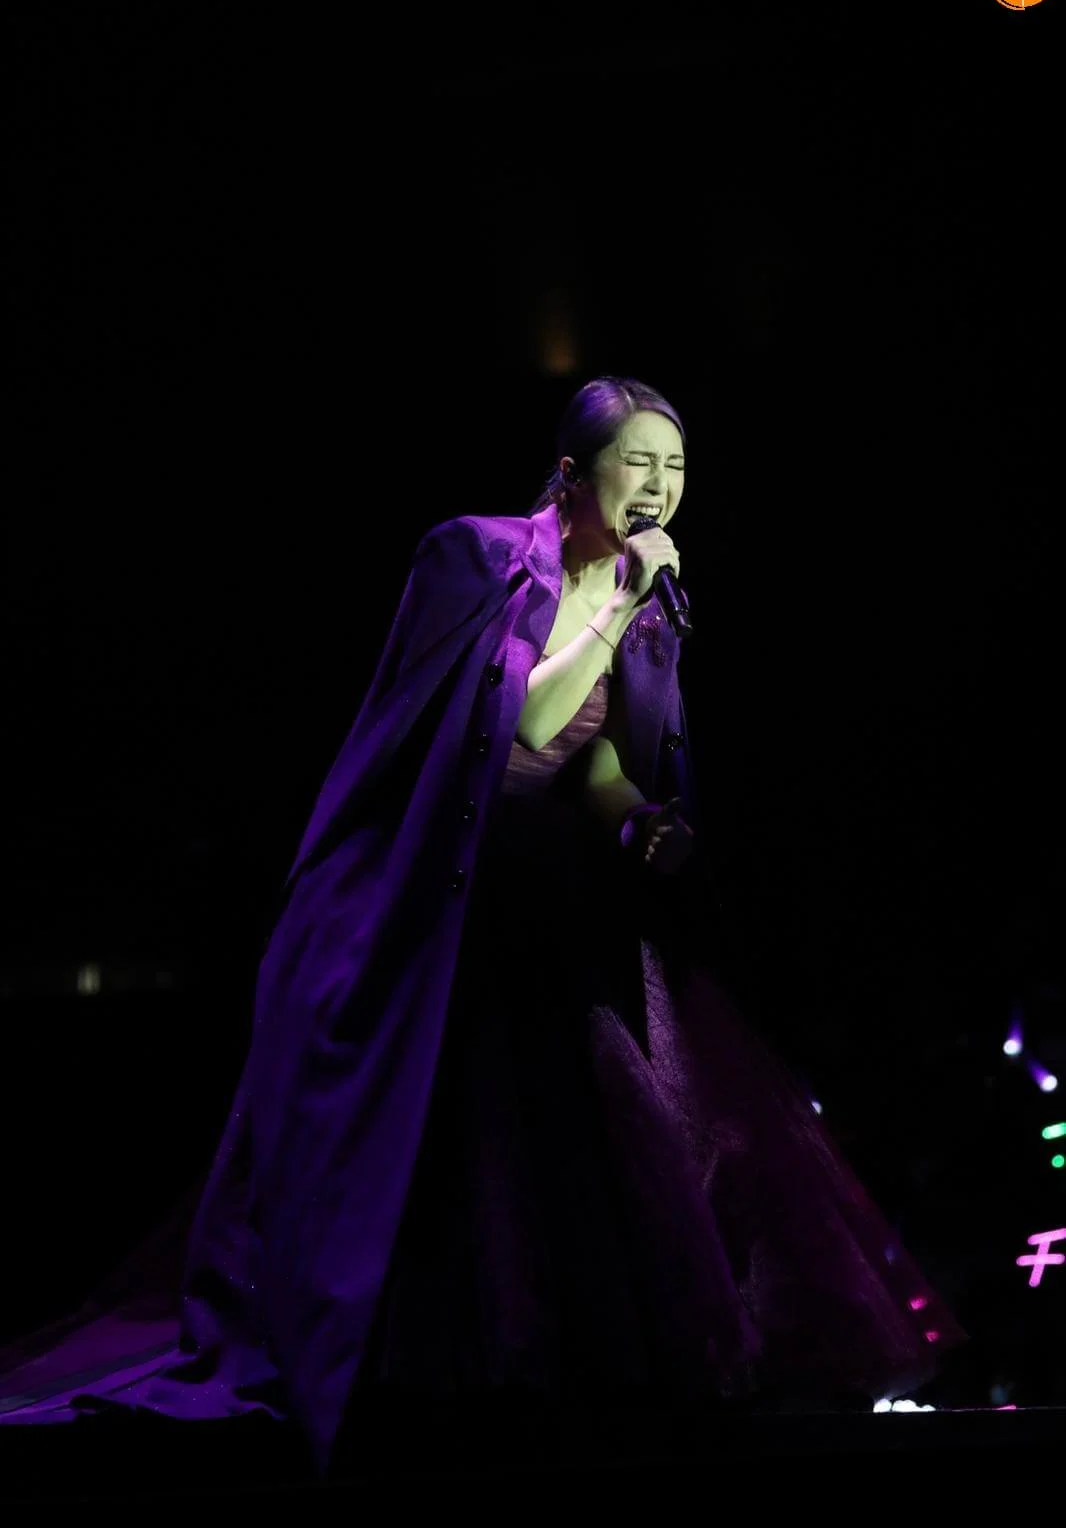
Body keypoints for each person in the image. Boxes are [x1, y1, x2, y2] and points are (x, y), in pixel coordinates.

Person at [0, 376, 963, 1477]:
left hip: (549, 902)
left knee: (579, 1147)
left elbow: (591, 754)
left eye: (676, 467)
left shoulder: (645, 599)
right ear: (573, 470)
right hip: (426, 907)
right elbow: (526, 723)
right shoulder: (478, 555)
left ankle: (558, 1387)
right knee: (449, 1148)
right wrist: (616, 605)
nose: (659, 486)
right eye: (638, 461)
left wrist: (637, 819)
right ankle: (417, 1397)